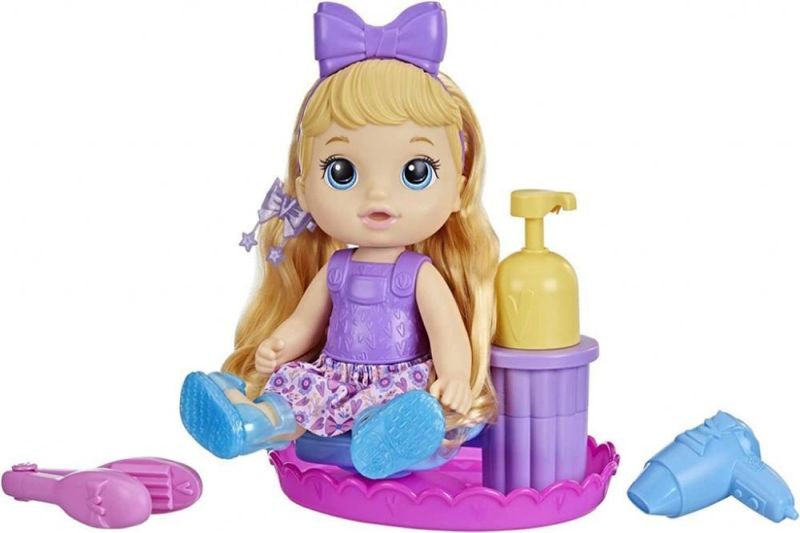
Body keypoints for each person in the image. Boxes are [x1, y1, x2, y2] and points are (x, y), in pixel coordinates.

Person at [180, 1, 499, 479]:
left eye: (415, 172)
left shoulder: (418, 275)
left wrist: (455, 376)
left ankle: (385, 439)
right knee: (294, 391)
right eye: (342, 171)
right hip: (332, 375)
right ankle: (252, 423)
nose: (378, 195)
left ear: (459, 187)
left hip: (397, 382)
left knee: (404, 411)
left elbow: (447, 334)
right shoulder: (337, 269)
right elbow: (305, 322)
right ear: (304, 186)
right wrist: (279, 344)